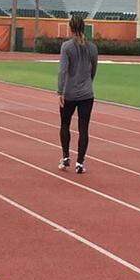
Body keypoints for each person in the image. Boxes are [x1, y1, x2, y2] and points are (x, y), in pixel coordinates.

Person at [57, 14, 98, 174]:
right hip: (87, 94)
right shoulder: (92, 47)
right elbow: (94, 69)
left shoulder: (66, 47)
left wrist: (60, 91)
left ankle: (66, 157)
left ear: (71, 28)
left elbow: (62, 71)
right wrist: (89, 82)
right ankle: (80, 162)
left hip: (69, 93)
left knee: (65, 124)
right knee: (84, 128)